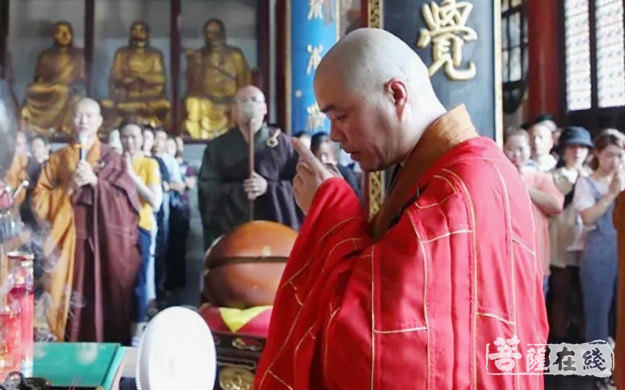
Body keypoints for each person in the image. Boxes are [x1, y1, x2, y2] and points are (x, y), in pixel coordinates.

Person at [255, 28, 547, 389]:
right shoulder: (469, 169)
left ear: (396, 94)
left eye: (340, 116)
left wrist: (331, 207)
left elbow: (380, 340)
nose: (333, 135)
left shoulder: (461, 185)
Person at [32, 98, 141, 344]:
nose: (84, 120)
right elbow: (39, 201)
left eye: (90, 116)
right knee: (65, 303)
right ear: (70, 120)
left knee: (103, 302)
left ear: (100, 121)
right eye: (79, 115)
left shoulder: (113, 159)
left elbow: (128, 203)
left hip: (104, 244)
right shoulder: (58, 159)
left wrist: (95, 182)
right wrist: (67, 189)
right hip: (67, 244)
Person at [198, 85, 301, 250]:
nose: (249, 105)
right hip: (233, 235)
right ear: (233, 109)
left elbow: (302, 187)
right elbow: (207, 190)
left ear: (265, 108)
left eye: (254, 100)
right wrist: (240, 193)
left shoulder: (285, 145)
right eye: (242, 100)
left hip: (276, 235)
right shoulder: (218, 147)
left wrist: (269, 188)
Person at [573, 129, 624, 388]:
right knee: (598, 311)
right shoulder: (586, 182)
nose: (614, 161)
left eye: (619, 155)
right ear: (597, 154)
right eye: (609, 155)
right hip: (598, 251)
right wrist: (611, 195)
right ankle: (598, 370)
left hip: (621, 249)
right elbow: (588, 217)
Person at [503, 129, 564, 299]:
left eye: (521, 149)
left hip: (536, 257)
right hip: (507, 257)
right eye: (511, 149)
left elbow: (556, 205)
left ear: (529, 150)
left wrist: (524, 188)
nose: (516, 154)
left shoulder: (541, 178)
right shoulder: (497, 177)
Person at [119, 120, 162, 342]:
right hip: (117, 228)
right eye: (125, 137)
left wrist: (131, 176)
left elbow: (155, 201)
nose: (129, 142)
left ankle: (137, 331)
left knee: (139, 280)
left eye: (134, 136)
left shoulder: (149, 164)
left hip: (140, 227)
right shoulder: (113, 162)